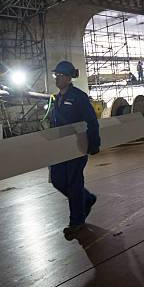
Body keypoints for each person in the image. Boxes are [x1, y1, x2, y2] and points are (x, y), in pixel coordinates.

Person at [49, 60, 100, 240]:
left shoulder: (79, 97)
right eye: (56, 75)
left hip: (78, 146)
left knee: (74, 181)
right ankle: (86, 199)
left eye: (60, 75)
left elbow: (91, 121)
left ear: (69, 78)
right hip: (61, 148)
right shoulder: (56, 99)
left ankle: (76, 220)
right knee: (57, 179)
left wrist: (94, 143)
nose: (57, 78)